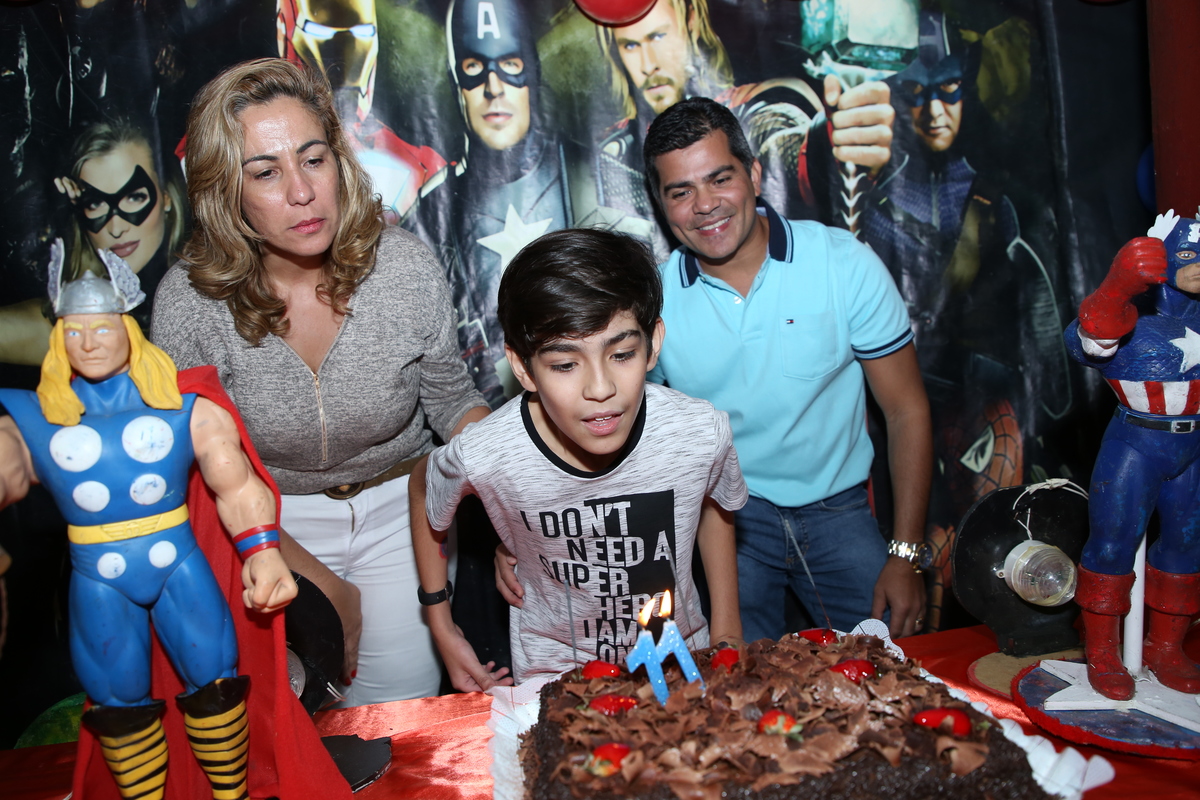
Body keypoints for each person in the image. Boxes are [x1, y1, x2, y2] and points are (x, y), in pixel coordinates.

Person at [151, 58, 489, 705]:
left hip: (401, 516)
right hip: (264, 526)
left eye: (313, 159)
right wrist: (321, 583)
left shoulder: (402, 267)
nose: (302, 192)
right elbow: (188, 475)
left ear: (339, 160)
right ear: (225, 189)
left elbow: (452, 400)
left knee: (397, 723)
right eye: (266, 172)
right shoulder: (189, 303)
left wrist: (519, 498)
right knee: (283, 730)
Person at [0, 249, 349, 800]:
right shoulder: (33, 420)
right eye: (73, 331)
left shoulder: (186, 407)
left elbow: (237, 485)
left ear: (127, 329)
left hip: (177, 567)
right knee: (119, 703)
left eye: (101, 327)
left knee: (216, 682)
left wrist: (263, 552)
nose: (87, 343)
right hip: (99, 578)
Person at [641, 98, 932, 642]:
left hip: (839, 511)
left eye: (720, 179)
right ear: (661, 204)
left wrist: (905, 553)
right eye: (681, 192)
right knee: (736, 680)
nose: (705, 205)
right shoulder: (651, 302)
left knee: (894, 663)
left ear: (754, 175)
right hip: (727, 520)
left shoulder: (841, 263)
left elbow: (905, 409)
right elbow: (626, 436)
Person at [411, 228, 748, 691]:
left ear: (653, 343)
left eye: (622, 354)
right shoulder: (487, 452)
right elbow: (422, 485)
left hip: (680, 666)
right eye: (565, 365)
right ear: (523, 367)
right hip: (554, 679)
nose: (600, 388)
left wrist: (728, 631)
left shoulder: (698, 431)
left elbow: (712, 502)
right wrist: (439, 620)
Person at [855, 11, 1072, 630]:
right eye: (916, 94)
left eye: (948, 90)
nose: (933, 110)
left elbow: (1040, 326)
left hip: (983, 401)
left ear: (968, 88)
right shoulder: (874, 204)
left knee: (995, 541)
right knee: (914, 551)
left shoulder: (1000, 200)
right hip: (898, 409)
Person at [592, 0, 894, 256]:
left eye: (658, 36)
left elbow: (781, 140)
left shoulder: (754, 106)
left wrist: (824, 144)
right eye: (630, 45)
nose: (648, 65)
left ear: (691, 23)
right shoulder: (613, 146)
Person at [1065, 210, 1200, 701]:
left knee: (1188, 545)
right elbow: (1092, 338)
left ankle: (1166, 647)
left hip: (1193, 448)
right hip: (1136, 443)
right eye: (1187, 253)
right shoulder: (1131, 316)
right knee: (1112, 544)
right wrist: (1117, 287)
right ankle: (1103, 650)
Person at [0, 118, 187, 366]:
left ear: (166, 197)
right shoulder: (72, 323)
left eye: (134, 197)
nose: (116, 228)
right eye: (95, 203)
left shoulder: (210, 297)